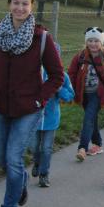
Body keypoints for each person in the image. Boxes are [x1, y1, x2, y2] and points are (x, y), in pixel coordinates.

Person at [0, 0, 64, 207]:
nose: (20, 7)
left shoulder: (41, 38)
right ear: (9, 4)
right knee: (0, 157)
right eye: (16, 2)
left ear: (31, 7)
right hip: (0, 105)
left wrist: (39, 99)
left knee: (13, 157)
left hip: (28, 109)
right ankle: (21, 181)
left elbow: (57, 75)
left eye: (25, 3)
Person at [68, 27, 104, 162]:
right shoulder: (80, 56)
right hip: (83, 93)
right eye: (90, 41)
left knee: (88, 118)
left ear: (101, 42)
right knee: (92, 119)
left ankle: (82, 148)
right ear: (86, 41)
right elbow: (71, 73)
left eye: (96, 41)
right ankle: (98, 144)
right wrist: (70, 90)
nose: (93, 44)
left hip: (98, 94)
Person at [31, 49, 74, 187]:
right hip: (33, 118)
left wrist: (59, 89)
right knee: (34, 147)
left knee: (46, 148)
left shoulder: (62, 76)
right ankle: (37, 163)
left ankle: (44, 175)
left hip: (51, 119)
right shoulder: (32, 73)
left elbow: (70, 96)